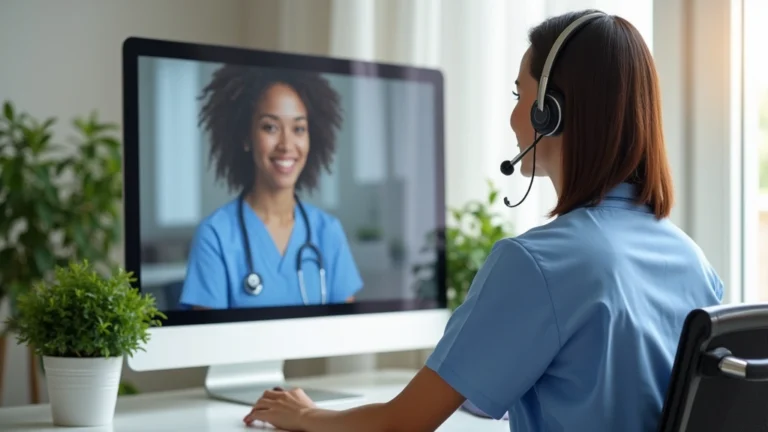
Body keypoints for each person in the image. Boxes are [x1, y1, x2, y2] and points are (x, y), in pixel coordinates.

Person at [242, 9, 724, 432]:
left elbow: (400, 424)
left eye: (521, 95)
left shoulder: (539, 264)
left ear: (548, 114)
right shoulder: (691, 259)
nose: (514, 116)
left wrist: (305, 415)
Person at [178, 65, 363, 309]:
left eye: (298, 129)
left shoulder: (328, 232)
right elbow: (207, 343)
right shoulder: (215, 235)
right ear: (246, 137)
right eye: (270, 127)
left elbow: (346, 337)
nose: (286, 145)